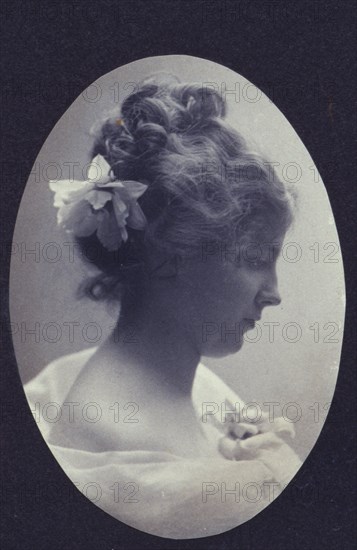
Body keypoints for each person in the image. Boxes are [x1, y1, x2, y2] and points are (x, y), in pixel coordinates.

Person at [24, 75, 302, 539]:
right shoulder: (121, 434)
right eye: (256, 259)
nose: (273, 293)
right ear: (172, 256)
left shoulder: (195, 383)